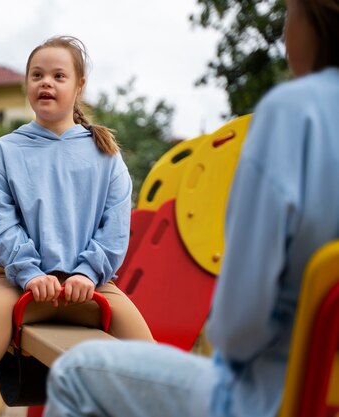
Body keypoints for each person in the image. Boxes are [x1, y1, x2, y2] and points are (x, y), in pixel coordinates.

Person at [43, 0, 339, 416]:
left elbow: (238, 329)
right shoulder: (16, 153)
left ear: (311, 20)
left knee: (76, 372)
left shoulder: (294, 114)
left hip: (275, 396)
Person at [0, 36, 154, 417]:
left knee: (157, 375)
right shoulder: (4, 152)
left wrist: (87, 272)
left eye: (58, 75)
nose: (46, 82)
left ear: (79, 86)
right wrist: (30, 272)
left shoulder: (107, 156)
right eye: (37, 75)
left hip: (93, 286)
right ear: (27, 85)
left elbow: (115, 228)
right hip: (16, 283)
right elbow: (0, 224)